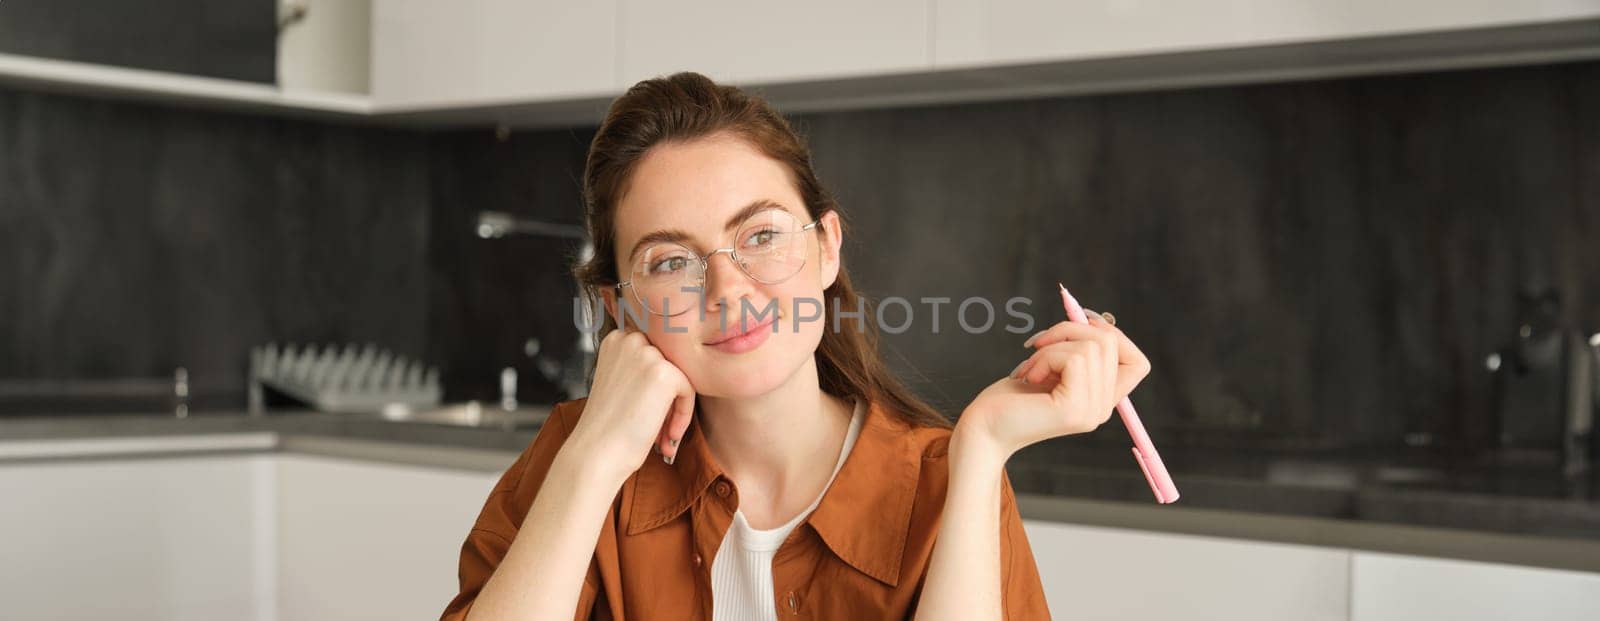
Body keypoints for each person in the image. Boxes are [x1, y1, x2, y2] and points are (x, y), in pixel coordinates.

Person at [440, 71, 1151, 620]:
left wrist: (983, 447)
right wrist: (594, 456)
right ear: (618, 307)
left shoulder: (949, 479)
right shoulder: (580, 454)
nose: (729, 290)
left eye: (761, 235)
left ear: (827, 247)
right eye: (670, 260)